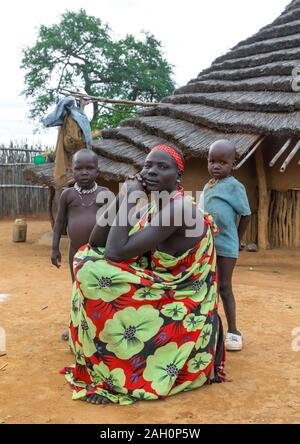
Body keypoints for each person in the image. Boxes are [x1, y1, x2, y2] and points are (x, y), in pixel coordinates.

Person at [61, 144, 225, 405]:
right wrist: (122, 198)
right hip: (161, 284)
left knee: (92, 271)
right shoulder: (155, 206)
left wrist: (128, 199)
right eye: (148, 165)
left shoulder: (179, 209)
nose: (152, 171)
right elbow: (96, 242)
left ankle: (117, 365)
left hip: (181, 296)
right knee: (86, 258)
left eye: (163, 167)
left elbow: (115, 252)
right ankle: (112, 351)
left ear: (178, 177)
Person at [51, 148, 108, 339]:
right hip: (75, 252)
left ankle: (97, 329)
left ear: (98, 171)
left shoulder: (104, 193)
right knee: (77, 288)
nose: (84, 172)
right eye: (79, 168)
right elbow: (60, 222)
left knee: (99, 289)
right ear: (72, 171)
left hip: (99, 253)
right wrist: (54, 248)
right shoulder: (67, 195)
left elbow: (115, 222)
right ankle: (75, 327)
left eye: (90, 168)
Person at [201, 140, 251, 351]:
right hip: (207, 245)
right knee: (208, 286)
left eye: (223, 162)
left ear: (233, 164)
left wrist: (237, 239)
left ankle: (234, 331)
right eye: (212, 161)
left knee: (224, 287)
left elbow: (246, 214)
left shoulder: (235, 186)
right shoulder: (208, 185)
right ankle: (210, 328)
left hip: (227, 246)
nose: (216, 166)